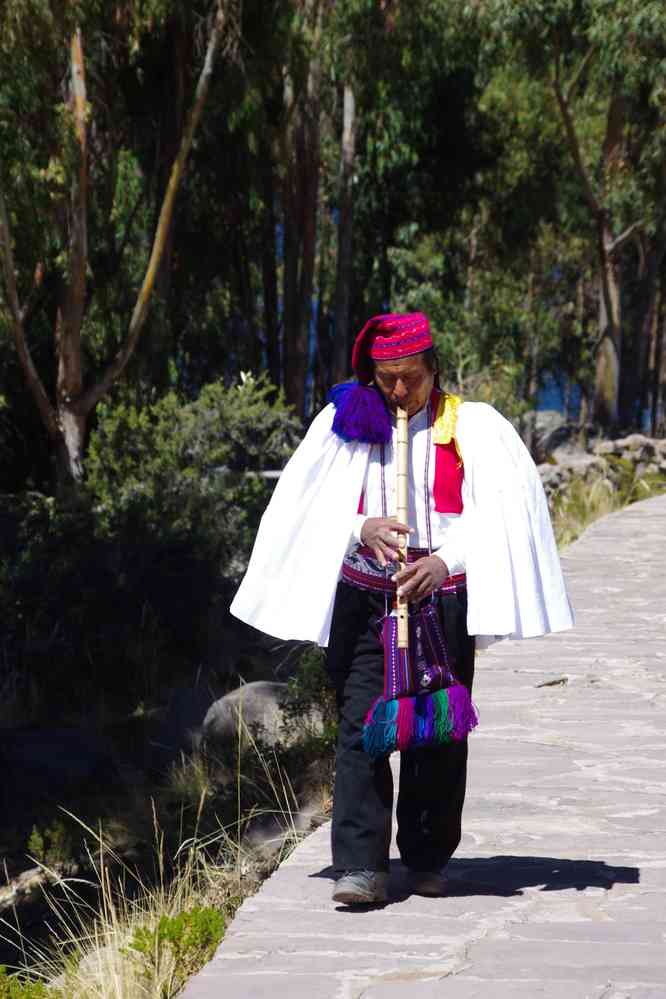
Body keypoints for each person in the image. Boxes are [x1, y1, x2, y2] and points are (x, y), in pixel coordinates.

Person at [231, 311, 573, 905]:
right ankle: (360, 866)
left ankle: (426, 857)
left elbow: (496, 515)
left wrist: (444, 561)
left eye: (409, 377)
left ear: (433, 369)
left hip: (439, 598)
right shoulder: (345, 425)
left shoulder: (473, 429)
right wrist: (361, 527)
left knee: (437, 728)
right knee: (361, 727)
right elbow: (307, 505)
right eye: (386, 377)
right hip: (366, 599)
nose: (397, 390)